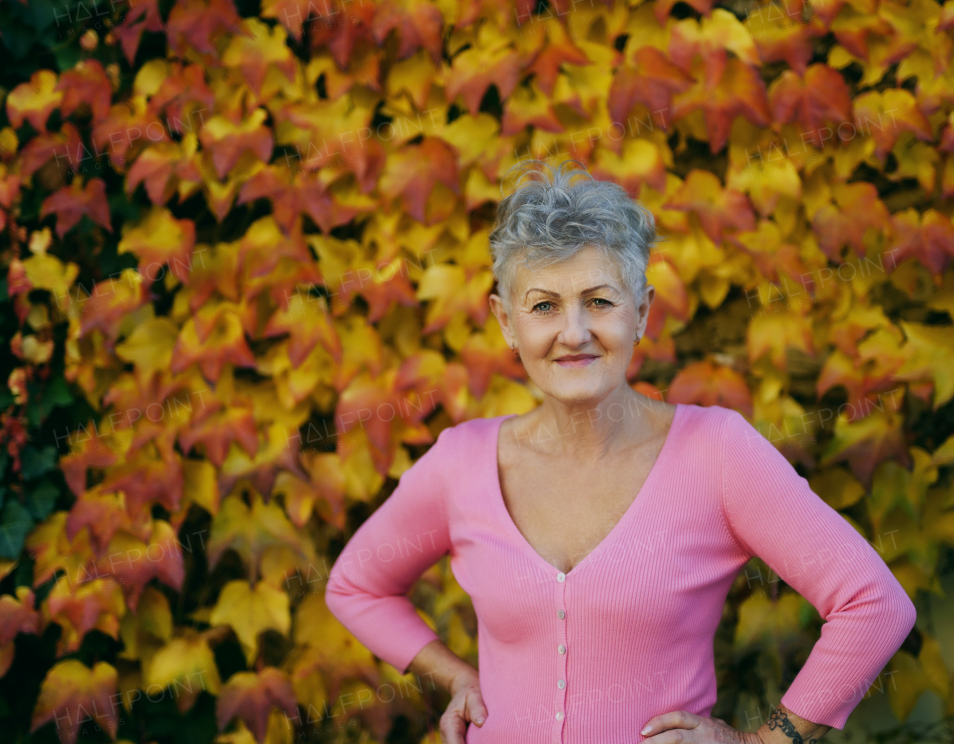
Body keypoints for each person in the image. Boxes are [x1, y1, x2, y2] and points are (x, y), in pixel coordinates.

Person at [325, 160, 917, 744]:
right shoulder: (462, 462)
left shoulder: (717, 453)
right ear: (506, 322)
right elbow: (356, 585)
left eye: (601, 301)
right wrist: (452, 675)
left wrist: (762, 742)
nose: (575, 332)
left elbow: (873, 605)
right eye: (543, 306)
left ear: (643, 312)